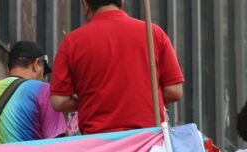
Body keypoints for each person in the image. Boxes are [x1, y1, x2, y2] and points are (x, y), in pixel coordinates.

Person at [49, 0, 184, 134]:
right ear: (122, 2)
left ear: (85, 4)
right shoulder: (153, 33)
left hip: (98, 142)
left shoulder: (72, 42)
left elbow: (59, 101)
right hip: (147, 142)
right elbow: (174, 90)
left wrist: (96, 100)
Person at [0, 41, 66, 148]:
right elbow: (57, 146)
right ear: (36, 64)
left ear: (8, 69)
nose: (43, 77)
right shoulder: (43, 90)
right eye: (44, 71)